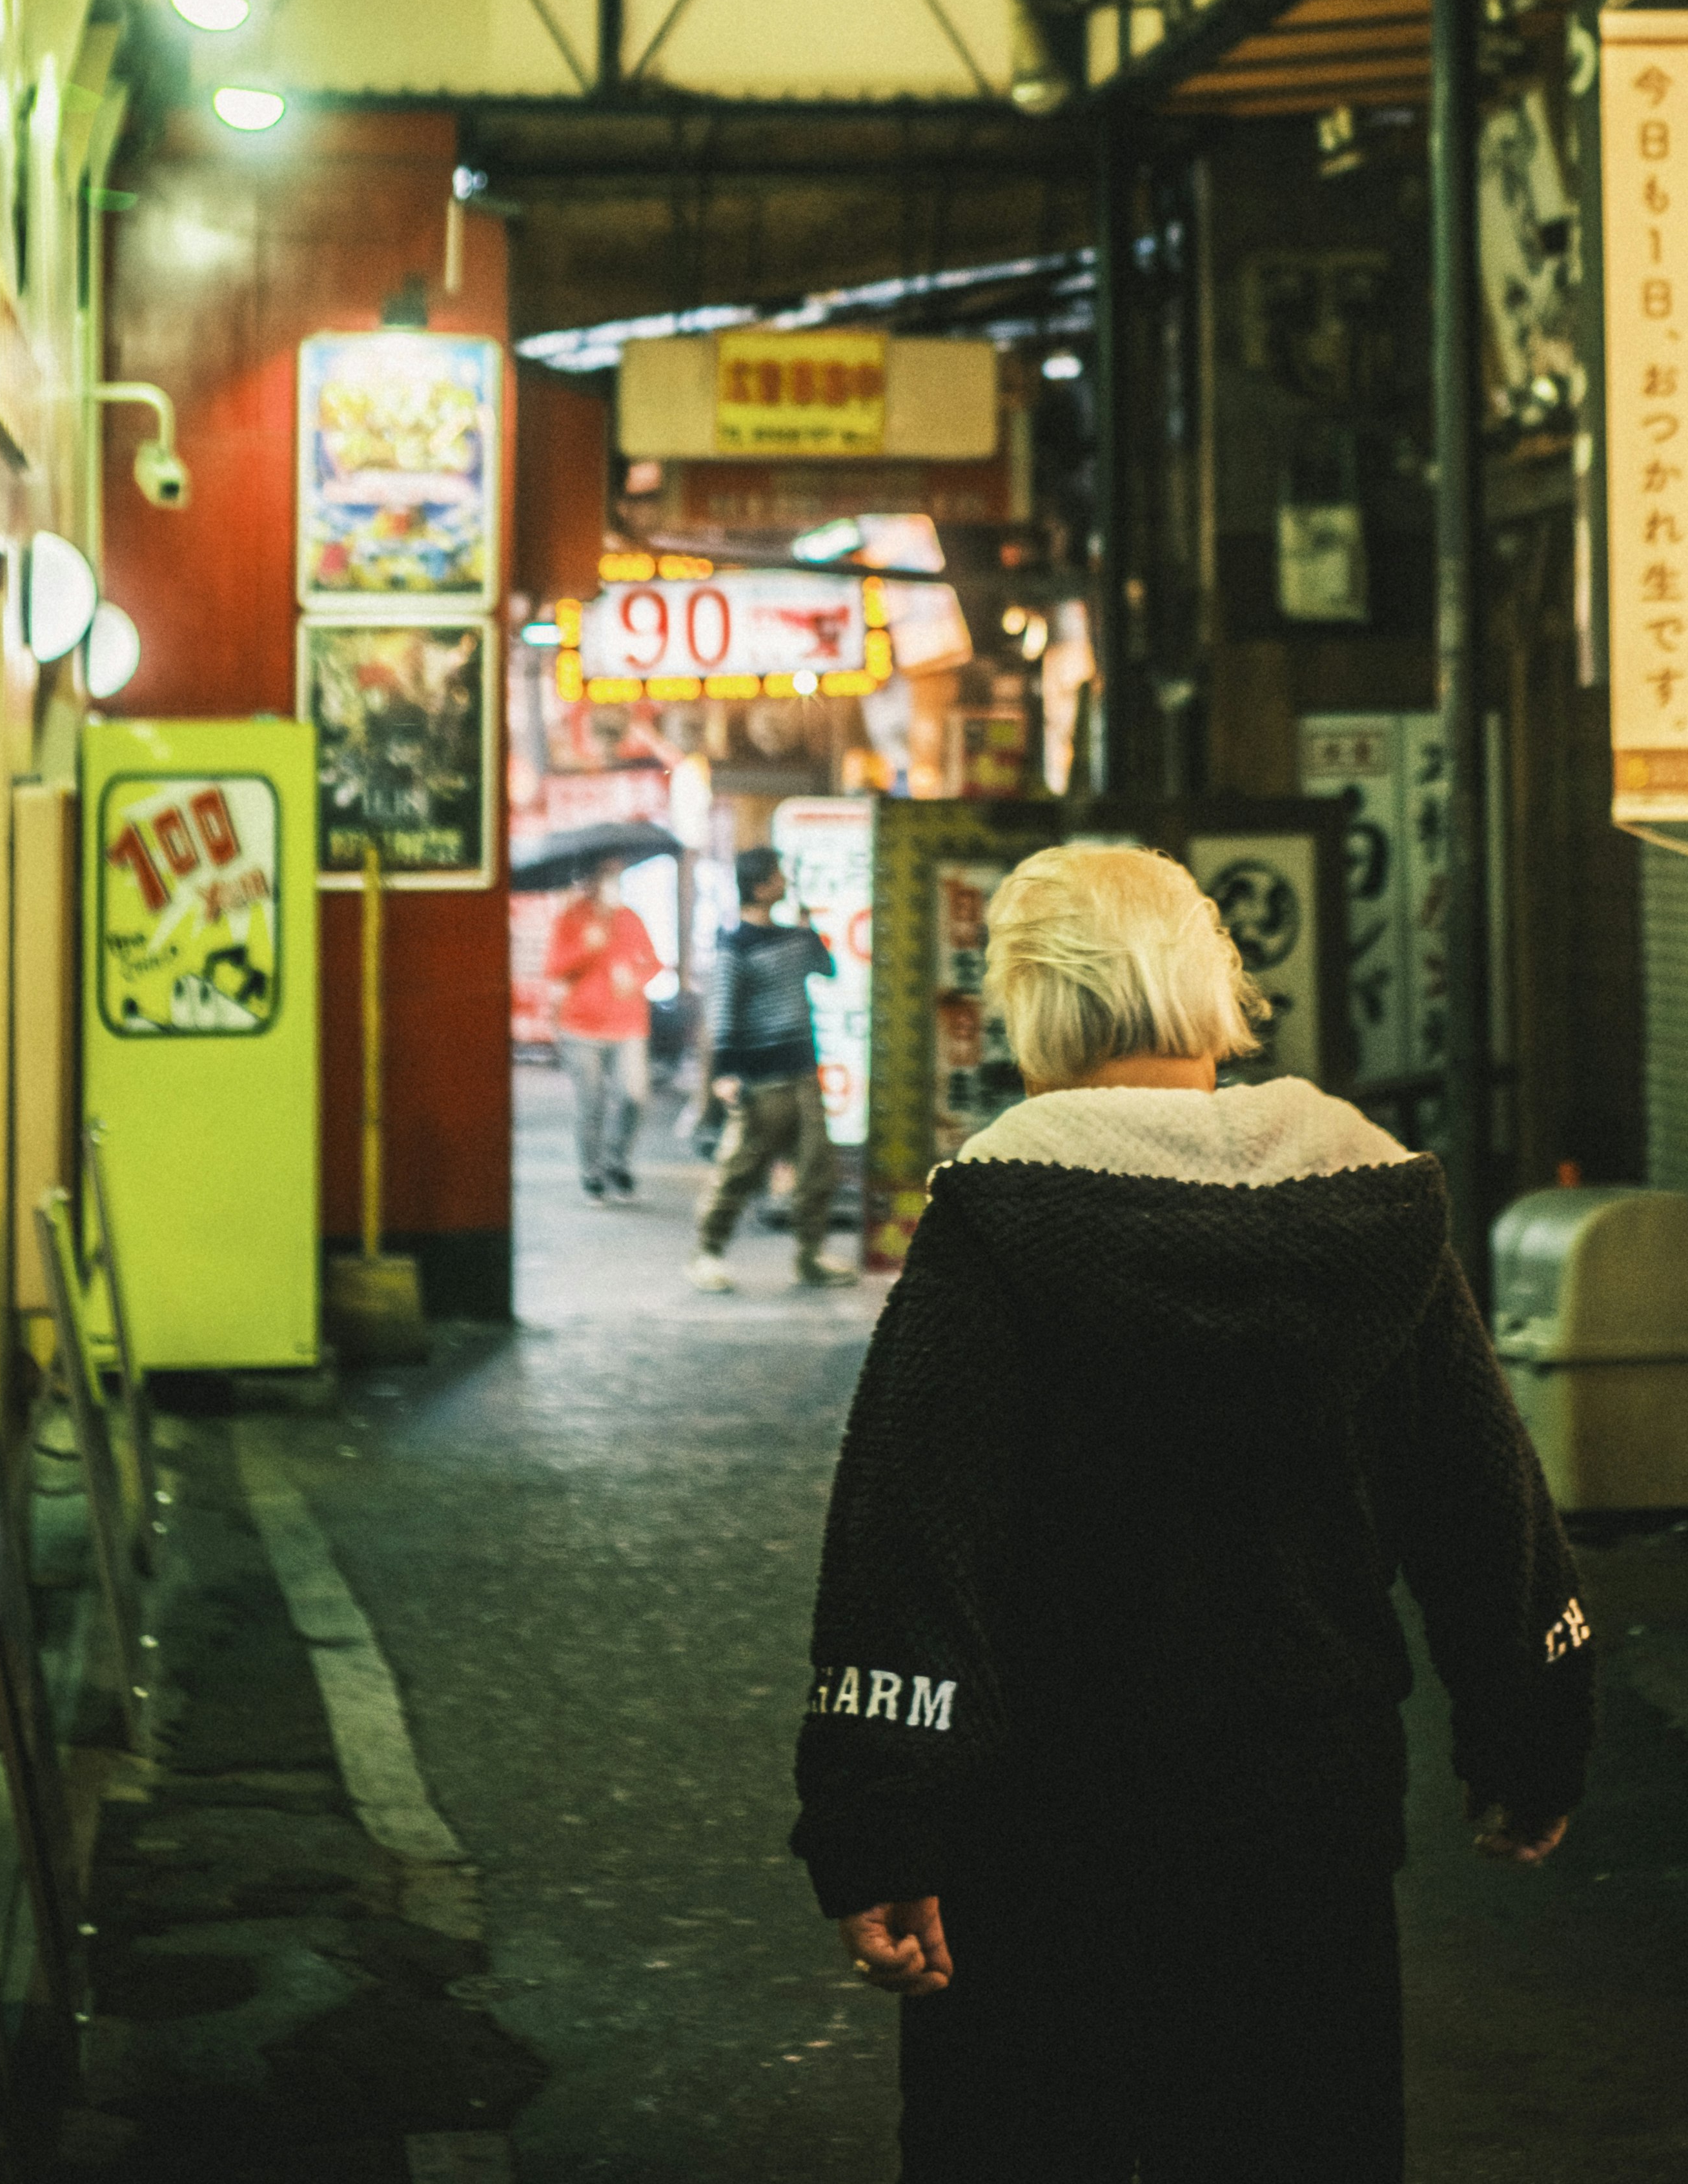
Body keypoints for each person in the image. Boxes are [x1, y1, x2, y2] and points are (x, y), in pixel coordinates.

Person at [789, 840, 1591, 2183]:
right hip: (1309, 1810)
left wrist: (879, 1818)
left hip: (1049, 1824)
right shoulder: (1360, 1193)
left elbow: (914, 1532)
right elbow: (1479, 1491)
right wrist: (1531, 1731)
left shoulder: (1004, 1210)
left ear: (1036, 1001)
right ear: (1208, 982)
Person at [689, 844, 851, 1291]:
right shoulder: (734, 946)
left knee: (818, 1168)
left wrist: (809, 928)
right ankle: (708, 1252)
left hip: (802, 1070)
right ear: (760, 886)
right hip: (761, 1080)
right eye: (778, 876)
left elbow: (828, 968)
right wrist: (726, 1072)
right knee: (740, 1168)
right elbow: (723, 1014)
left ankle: (810, 1254)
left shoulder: (793, 937)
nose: (784, 883)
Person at [544, 859, 662, 1201]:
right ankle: (592, 1172)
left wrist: (637, 978)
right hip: (581, 1027)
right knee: (591, 1103)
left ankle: (617, 1161)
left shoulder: (629, 917)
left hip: (628, 1025)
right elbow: (554, 968)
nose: (611, 883)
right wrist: (587, 947)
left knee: (634, 1096)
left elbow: (654, 962)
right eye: (605, 876)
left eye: (616, 877)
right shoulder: (571, 918)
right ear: (590, 880)